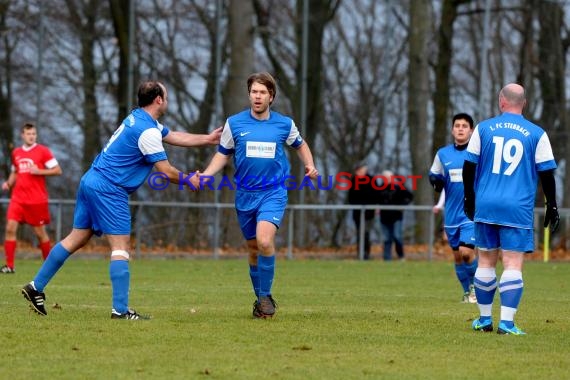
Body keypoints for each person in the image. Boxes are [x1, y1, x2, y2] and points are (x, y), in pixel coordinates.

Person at [21, 80, 222, 319]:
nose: (167, 100)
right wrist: (190, 179)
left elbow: (174, 135)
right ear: (159, 100)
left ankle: (36, 287)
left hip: (91, 180)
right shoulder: (147, 131)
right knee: (120, 247)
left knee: (77, 237)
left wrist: (208, 139)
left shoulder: (139, 118)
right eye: (166, 96)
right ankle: (120, 310)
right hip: (109, 188)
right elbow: (166, 172)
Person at [191, 72, 318, 319]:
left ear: (271, 96)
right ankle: (261, 300)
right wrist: (207, 174)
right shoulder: (235, 124)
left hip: (273, 192)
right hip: (245, 195)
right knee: (252, 249)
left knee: (264, 241)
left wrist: (309, 165)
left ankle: (265, 296)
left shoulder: (284, 124)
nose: (257, 96)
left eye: (262, 92)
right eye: (253, 92)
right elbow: (223, 153)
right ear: (249, 95)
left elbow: (300, 144)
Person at [463, 83, 559, 335]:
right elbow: (547, 173)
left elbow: (469, 166)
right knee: (512, 262)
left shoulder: (483, 128)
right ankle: (506, 323)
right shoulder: (537, 133)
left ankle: (484, 320)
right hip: (517, 208)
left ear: (501, 101)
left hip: (486, 203)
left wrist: (468, 198)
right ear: (524, 103)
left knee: (485, 259)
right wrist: (552, 204)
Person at [429, 113, 478, 303]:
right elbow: (434, 174)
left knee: (467, 254)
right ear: (452, 130)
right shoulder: (443, 154)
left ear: (471, 131)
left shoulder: (477, 154)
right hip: (451, 215)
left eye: (464, 126)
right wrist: (435, 181)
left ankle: (476, 289)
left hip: (470, 214)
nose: (460, 128)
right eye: (457, 125)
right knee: (458, 258)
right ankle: (467, 293)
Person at [1, 123, 62, 274]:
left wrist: (39, 171)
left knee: (40, 234)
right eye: (29, 134)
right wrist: (8, 183)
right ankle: (9, 266)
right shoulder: (16, 152)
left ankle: (49, 266)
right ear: (22, 135)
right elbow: (15, 171)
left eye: (34, 134)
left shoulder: (43, 151)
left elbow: (57, 170)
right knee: (10, 228)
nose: (31, 136)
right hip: (18, 199)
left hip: (36, 200)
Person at [378, 170, 413, 261]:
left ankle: (401, 256)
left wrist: (403, 206)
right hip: (384, 217)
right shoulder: (379, 188)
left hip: (396, 216)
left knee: (397, 236)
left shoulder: (399, 187)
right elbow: (375, 199)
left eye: (389, 177)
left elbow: (410, 196)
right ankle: (387, 258)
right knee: (386, 238)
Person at [347, 161, 378, 260]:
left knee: (366, 233)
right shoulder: (353, 181)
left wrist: (374, 206)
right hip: (357, 213)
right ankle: (360, 253)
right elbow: (351, 197)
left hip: (369, 213)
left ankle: (366, 253)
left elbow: (376, 195)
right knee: (360, 233)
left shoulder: (371, 180)